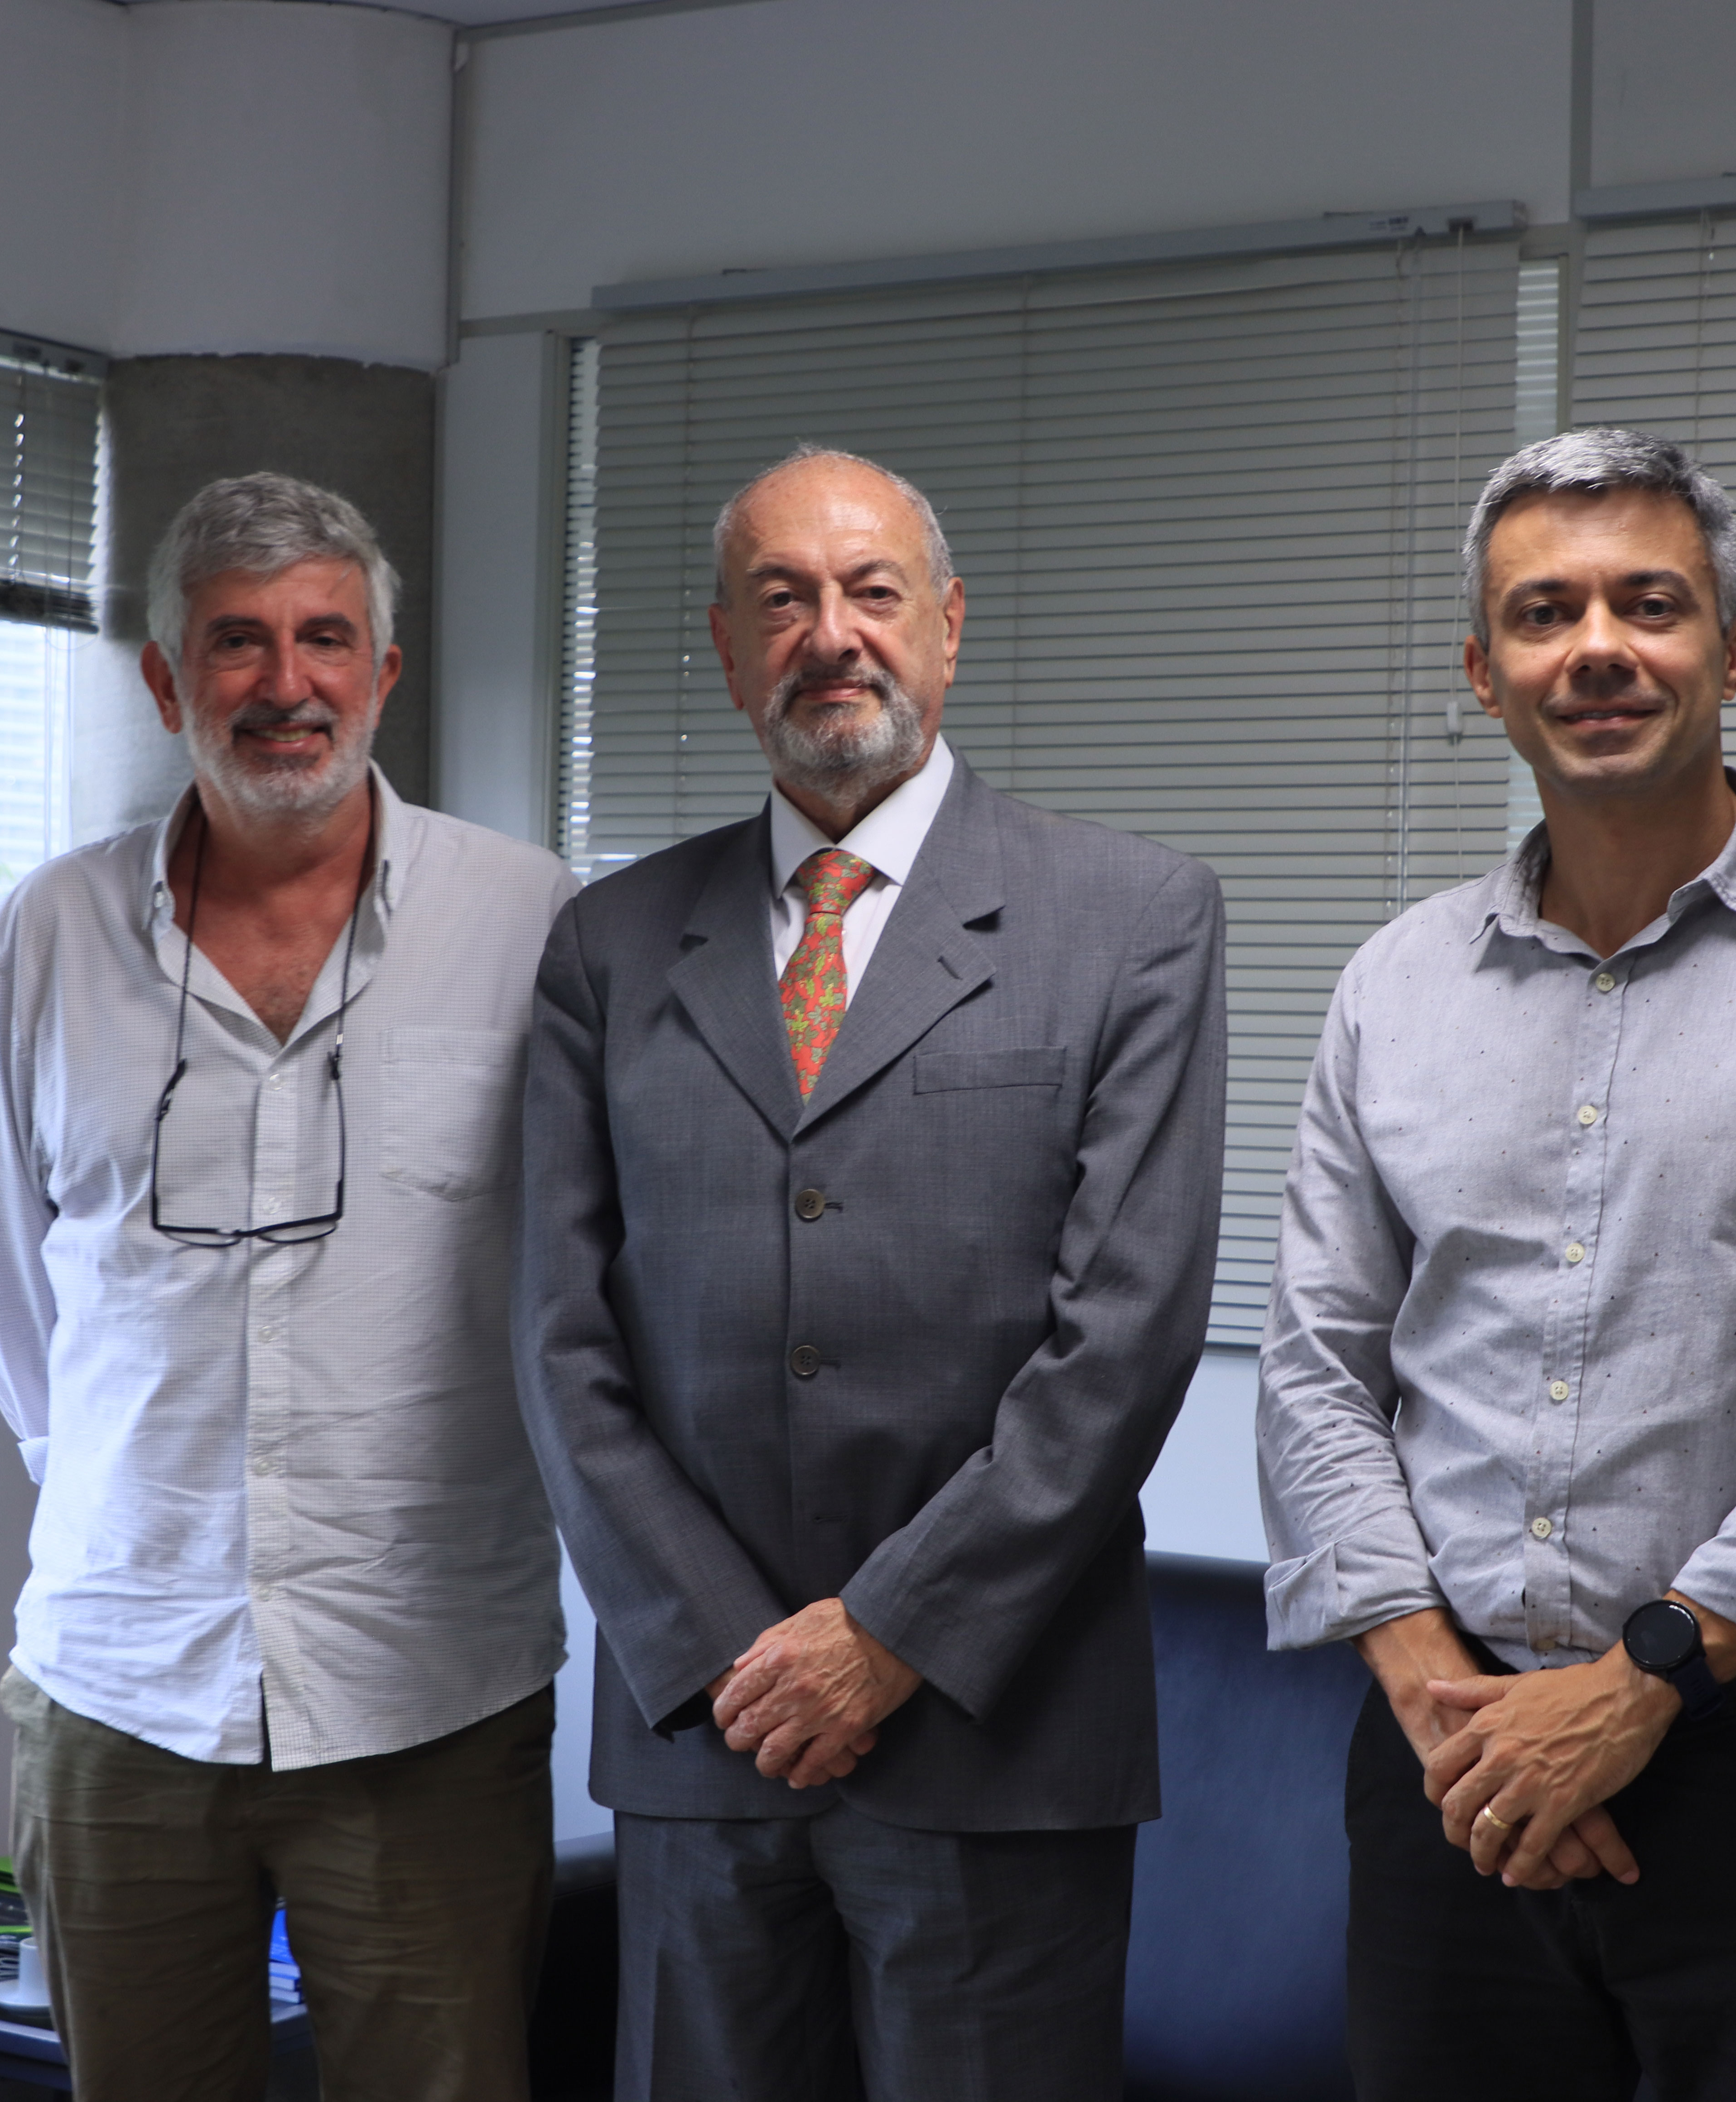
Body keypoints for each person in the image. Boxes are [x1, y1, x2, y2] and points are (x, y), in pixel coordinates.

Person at [1256, 427, 1736, 2102]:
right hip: (1449, 1774)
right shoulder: (1392, 990)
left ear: (1733, 651)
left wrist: (1637, 1687)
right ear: (1485, 673)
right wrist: (1440, 1699)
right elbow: (1318, 1366)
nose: (1597, 647)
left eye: (1650, 604)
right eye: (1544, 613)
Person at [515, 444, 1228, 2101]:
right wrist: (729, 1653)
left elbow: (1123, 1341)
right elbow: (559, 1340)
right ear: (727, 648)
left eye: (871, 591)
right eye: (782, 601)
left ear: (949, 626)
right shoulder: (611, 944)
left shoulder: (1133, 918)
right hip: (707, 1740)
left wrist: (889, 1636)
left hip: (995, 1737)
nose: (830, 635)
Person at [0, 472, 576, 2102]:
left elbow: (582, 1282)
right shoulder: (46, 935)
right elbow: (8, 1294)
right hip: (118, 1684)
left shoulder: (534, 921)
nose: (286, 684)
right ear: (167, 679)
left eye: (326, 638)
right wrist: (135, 1508)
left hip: (429, 1689)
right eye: (238, 641)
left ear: (385, 670)